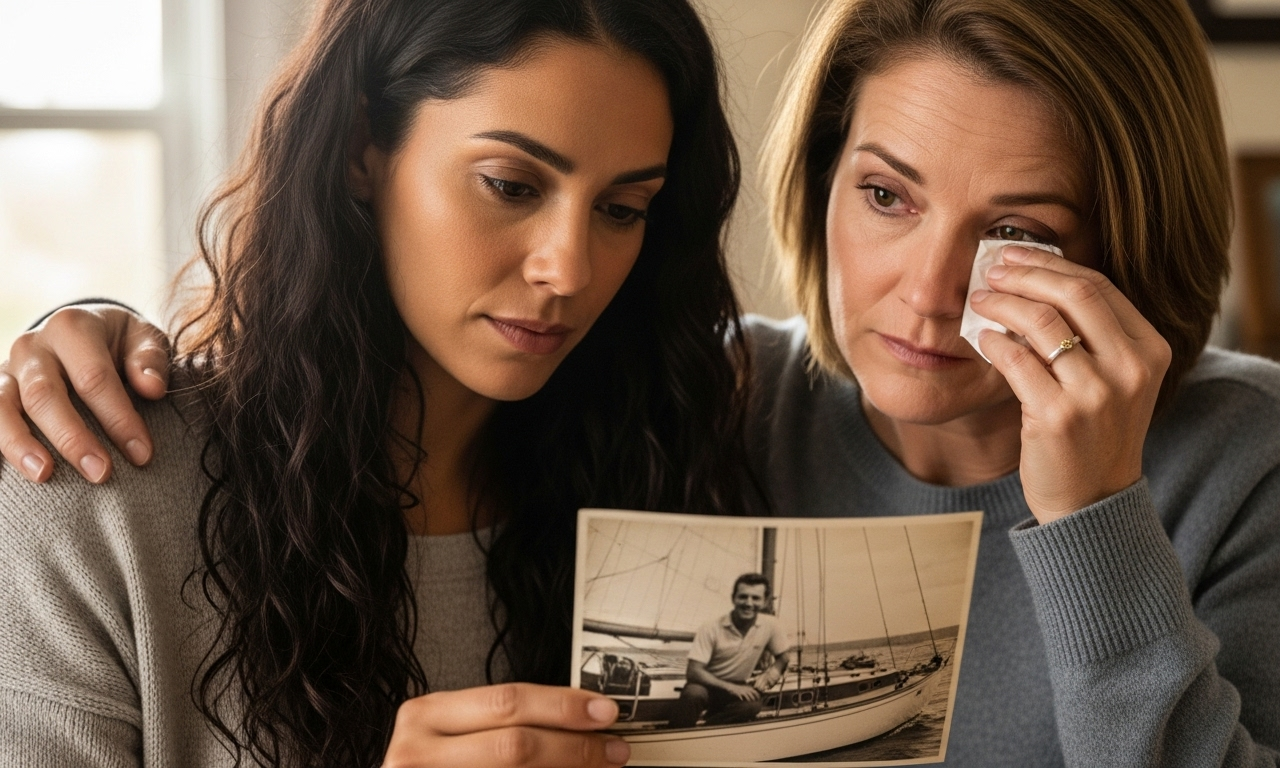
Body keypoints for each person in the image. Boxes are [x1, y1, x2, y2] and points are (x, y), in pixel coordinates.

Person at [0, 0, 1280, 765]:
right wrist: (92, 324)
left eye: (1026, 235)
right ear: (821, 178)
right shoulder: (716, 408)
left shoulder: (1241, 447)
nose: (931, 295)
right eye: (885, 196)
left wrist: (1093, 517)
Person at [0, 0, 758, 765]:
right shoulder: (92, 502)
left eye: (622, 209)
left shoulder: (678, 468)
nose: (570, 268)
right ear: (362, 145)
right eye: (510, 186)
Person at [667, 573, 791, 729]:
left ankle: (708, 731)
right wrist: (731, 687)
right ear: (734, 598)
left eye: (756, 598)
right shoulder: (711, 627)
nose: (748, 603)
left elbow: (784, 657)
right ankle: (677, 733)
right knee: (694, 694)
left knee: (752, 705)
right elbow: (693, 671)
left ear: (765, 602)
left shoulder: (772, 625)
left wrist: (771, 674)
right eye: (743, 597)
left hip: (738, 686)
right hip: (705, 685)